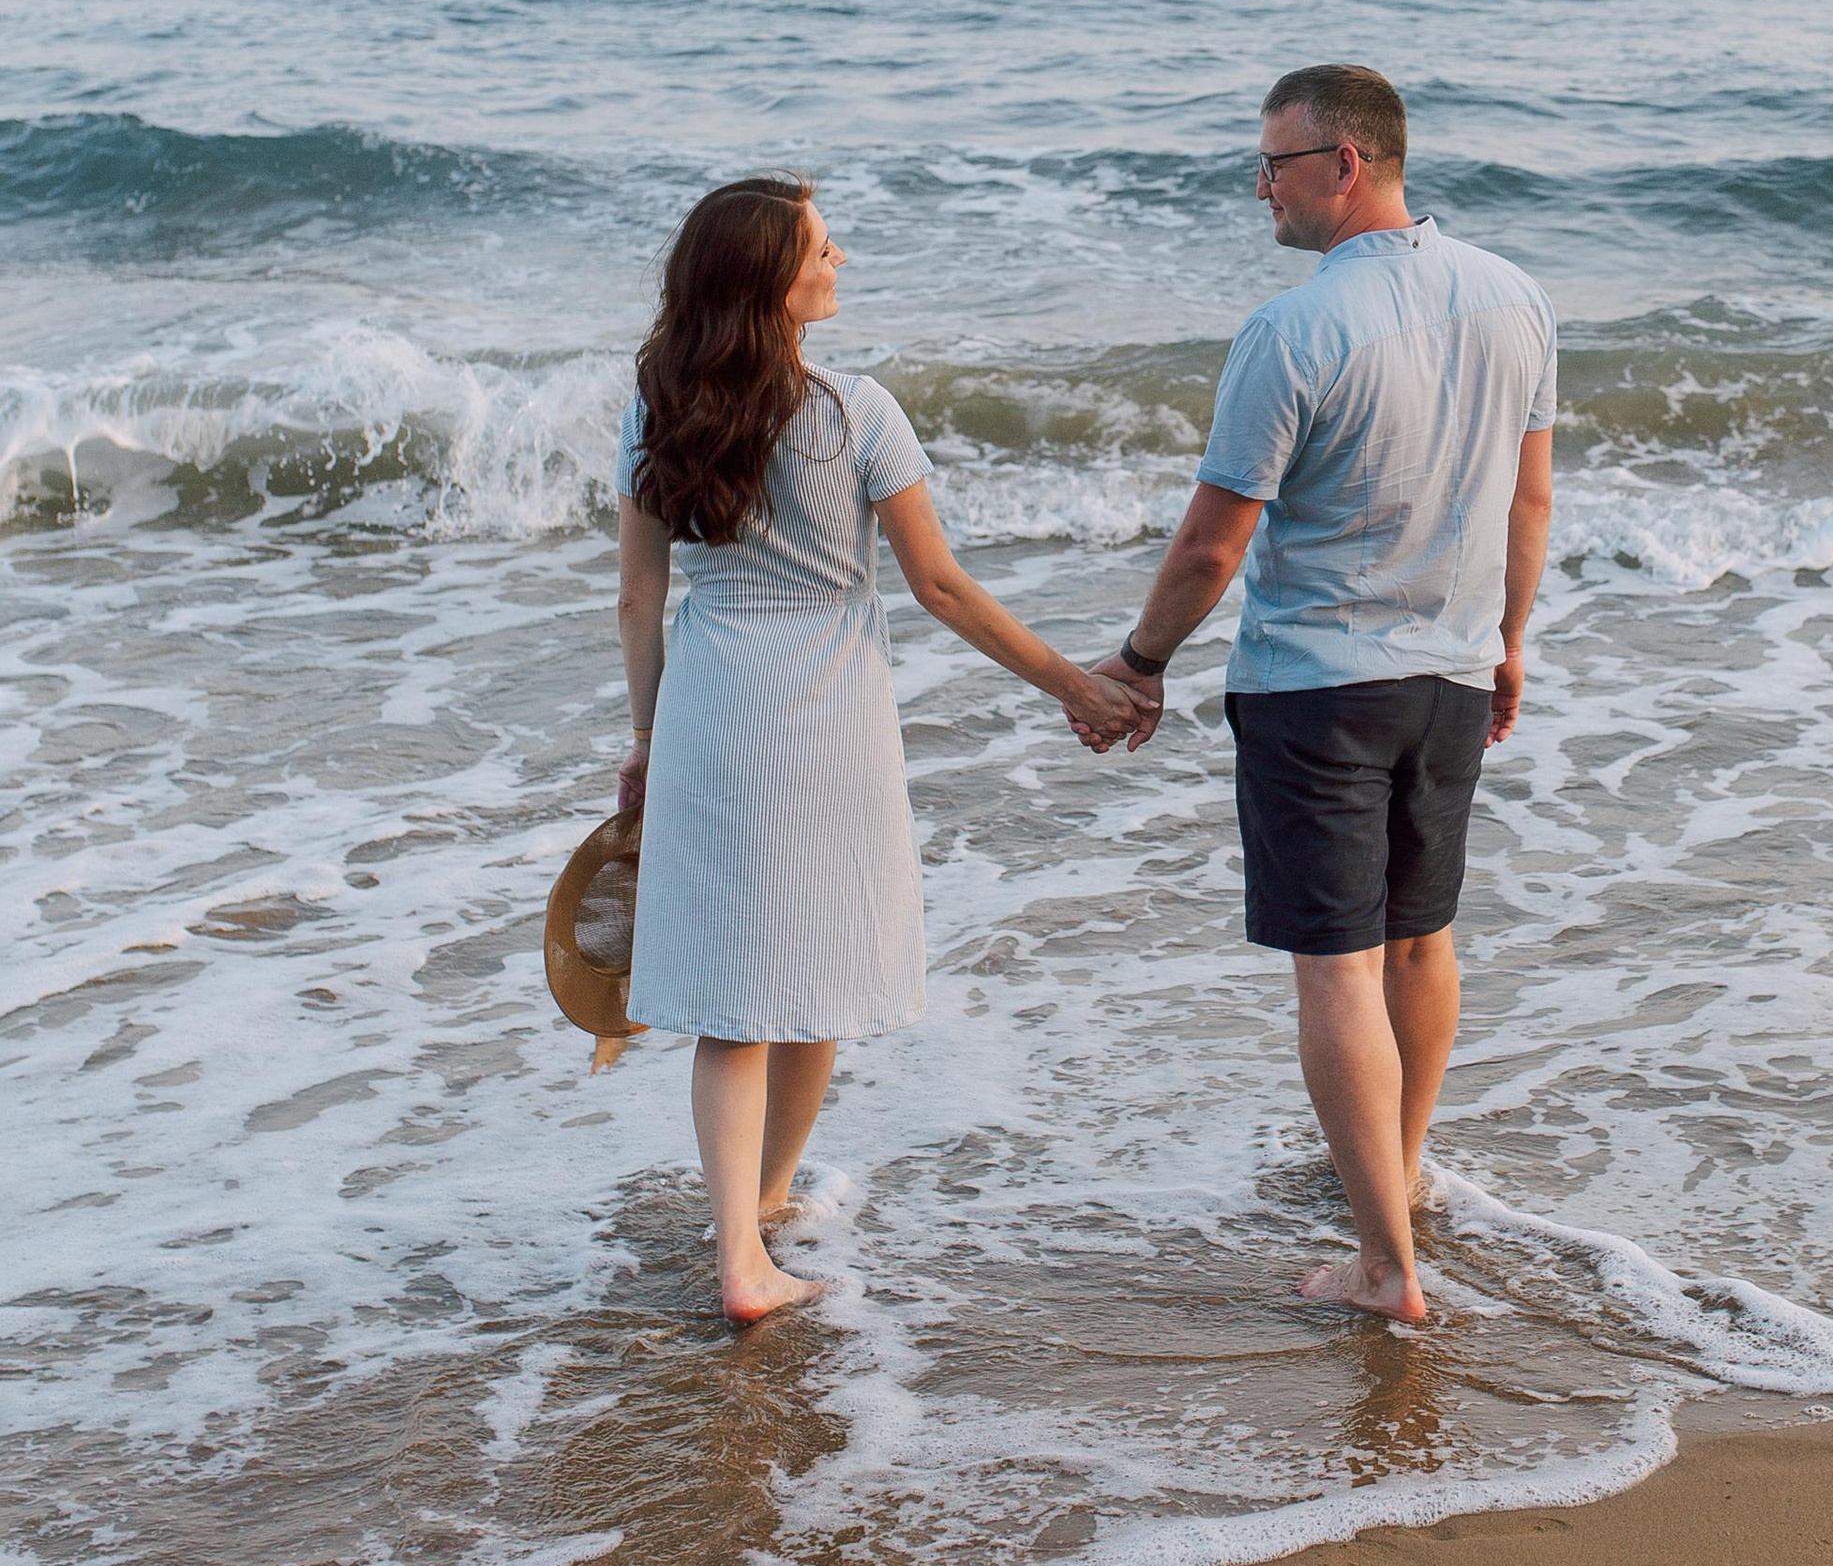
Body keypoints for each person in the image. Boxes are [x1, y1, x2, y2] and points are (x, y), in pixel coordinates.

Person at [615, 175, 1136, 1323]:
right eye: (821, 248)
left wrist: (649, 739)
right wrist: (1074, 685)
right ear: (771, 280)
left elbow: (637, 602)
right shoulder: (858, 413)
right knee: (813, 975)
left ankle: (750, 1225)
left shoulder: (656, 404)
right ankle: (752, 1234)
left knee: (732, 1000)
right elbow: (940, 586)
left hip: (711, 707)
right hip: (829, 714)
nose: (840, 259)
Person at [1084, 65, 1556, 1323]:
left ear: (1347, 163)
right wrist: (1510, 638)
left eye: (1277, 165)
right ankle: (1395, 1180)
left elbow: (1208, 546)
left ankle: (1387, 1266)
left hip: (1320, 686)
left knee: (1338, 969)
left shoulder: (1292, 330)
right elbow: (1528, 501)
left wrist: (1137, 662)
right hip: (1453, 672)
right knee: (1422, 937)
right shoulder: (1516, 298)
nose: (1262, 188)